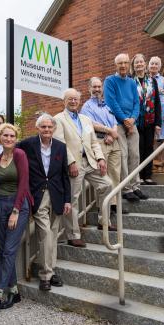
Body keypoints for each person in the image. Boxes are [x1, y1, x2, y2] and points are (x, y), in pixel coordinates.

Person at [54, 88, 114, 249]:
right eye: (70, 99)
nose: (73, 101)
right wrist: (70, 162)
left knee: (107, 185)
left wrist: (101, 158)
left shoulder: (86, 119)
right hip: (74, 164)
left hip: (91, 162)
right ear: (64, 101)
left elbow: (94, 142)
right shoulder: (58, 119)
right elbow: (60, 143)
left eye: (76, 99)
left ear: (79, 101)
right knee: (72, 199)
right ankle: (73, 235)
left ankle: (104, 222)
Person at [17, 113, 71, 291]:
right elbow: (13, 152)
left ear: (54, 129)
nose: (47, 130)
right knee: (46, 234)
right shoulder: (27, 144)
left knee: (53, 235)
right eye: (43, 127)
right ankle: (46, 275)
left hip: (57, 195)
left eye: (49, 127)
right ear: (37, 128)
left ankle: (51, 269)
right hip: (38, 195)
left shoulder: (61, 147)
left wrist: (68, 200)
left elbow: (65, 175)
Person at [0, 123, 33, 319]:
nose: (8, 139)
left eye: (12, 136)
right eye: (5, 135)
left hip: (18, 205)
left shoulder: (20, 155)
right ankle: (14, 291)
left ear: (16, 138)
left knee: (9, 250)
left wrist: (15, 210)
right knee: (5, 247)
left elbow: (23, 183)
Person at [104, 53, 147, 202]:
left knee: (135, 155)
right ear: (115, 65)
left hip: (132, 122)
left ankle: (136, 186)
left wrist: (133, 119)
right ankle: (126, 188)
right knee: (123, 155)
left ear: (129, 64)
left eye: (125, 63)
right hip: (118, 123)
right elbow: (111, 102)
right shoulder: (110, 81)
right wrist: (124, 120)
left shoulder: (131, 82)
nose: (123, 66)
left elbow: (137, 102)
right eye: (120, 63)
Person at [80, 77, 121, 212]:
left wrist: (113, 133)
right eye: (94, 87)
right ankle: (102, 207)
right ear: (89, 89)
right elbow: (91, 124)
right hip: (99, 142)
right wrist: (109, 131)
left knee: (115, 173)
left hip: (113, 142)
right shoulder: (87, 106)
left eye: (99, 87)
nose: (97, 89)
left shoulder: (106, 105)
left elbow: (114, 121)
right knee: (102, 175)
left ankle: (114, 204)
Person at [130, 53, 161, 184]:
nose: (139, 64)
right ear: (133, 65)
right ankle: (139, 177)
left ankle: (147, 176)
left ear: (145, 63)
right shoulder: (130, 81)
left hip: (150, 120)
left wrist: (158, 123)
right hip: (135, 121)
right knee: (138, 148)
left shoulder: (152, 80)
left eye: (141, 62)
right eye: (136, 62)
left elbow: (157, 101)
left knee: (149, 147)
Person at [148, 56, 164, 172]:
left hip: (163, 112)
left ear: (159, 66)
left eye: (156, 64)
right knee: (152, 138)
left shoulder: (163, 80)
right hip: (149, 112)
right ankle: (154, 164)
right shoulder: (146, 79)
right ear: (148, 65)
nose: (153, 66)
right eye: (152, 63)